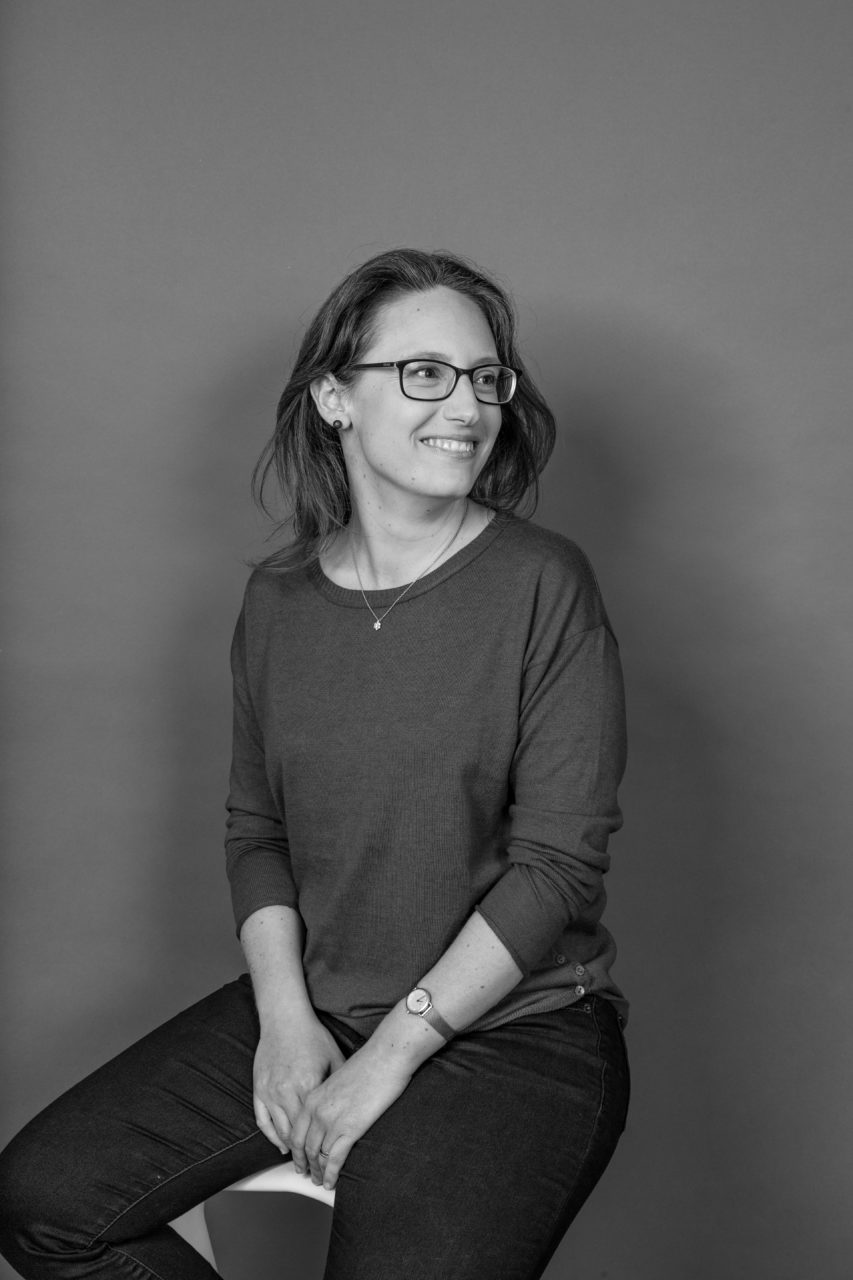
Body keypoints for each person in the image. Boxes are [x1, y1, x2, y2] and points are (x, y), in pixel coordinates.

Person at [0, 248, 630, 1280]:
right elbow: (257, 832)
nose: (466, 406)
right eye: (423, 372)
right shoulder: (278, 601)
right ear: (335, 398)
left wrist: (391, 1055)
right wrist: (287, 1022)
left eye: (485, 377)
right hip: (323, 1001)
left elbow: (556, 868)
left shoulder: (541, 583)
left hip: (515, 1029)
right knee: (48, 1204)